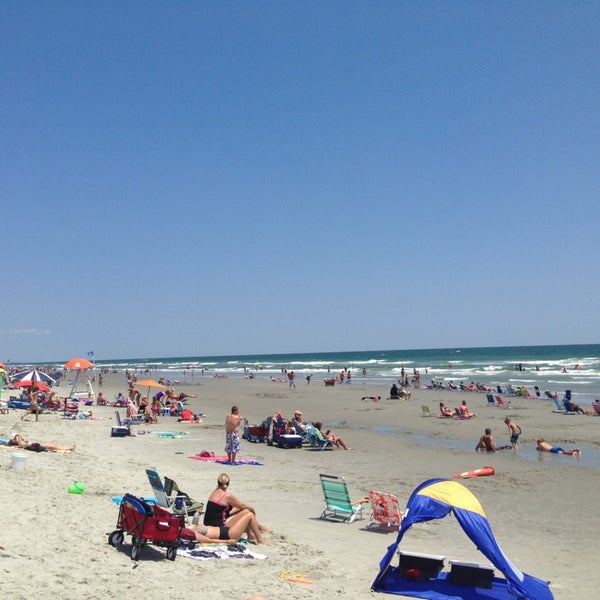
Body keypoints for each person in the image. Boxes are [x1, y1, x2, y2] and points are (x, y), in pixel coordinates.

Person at [203, 473, 269, 544]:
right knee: (249, 514)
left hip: (210, 524)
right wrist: (252, 510)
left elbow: (231, 509)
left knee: (244, 511)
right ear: (228, 484)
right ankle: (260, 539)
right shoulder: (226, 496)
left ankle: (251, 534)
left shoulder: (214, 492)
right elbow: (242, 506)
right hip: (221, 527)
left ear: (218, 482)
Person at [8, 433, 75, 453]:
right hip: (36, 445)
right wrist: (16, 435)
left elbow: (19, 437)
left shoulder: (20, 442)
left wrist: (15, 438)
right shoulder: (21, 443)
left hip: (37, 444)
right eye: (13, 440)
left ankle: (68, 448)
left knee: (52, 445)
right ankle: (68, 448)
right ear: (14, 442)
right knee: (53, 446)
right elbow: (19, 435)